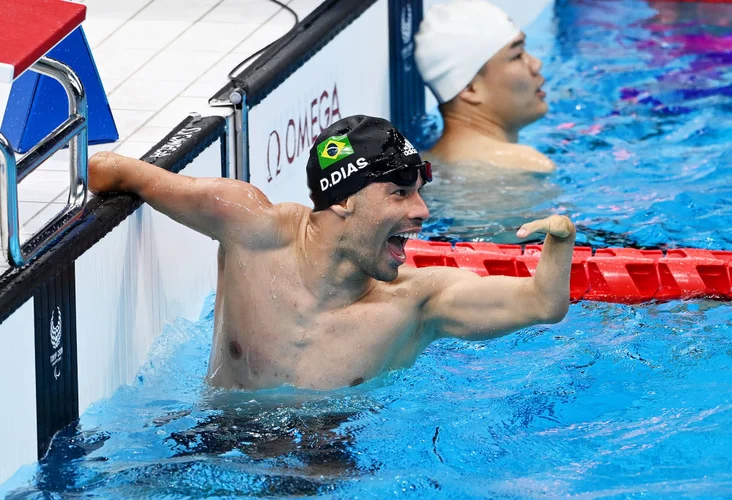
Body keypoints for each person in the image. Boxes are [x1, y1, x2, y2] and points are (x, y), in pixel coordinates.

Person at [88, 115, 575, 391]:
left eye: (420, 192)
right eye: (401, 193)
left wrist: (560, 240)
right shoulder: (250, 229)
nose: (423, 211)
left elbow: (542, 304)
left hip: (326, 461)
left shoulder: (415, 304)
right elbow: (120, 171)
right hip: (216, 441)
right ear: (343, 198)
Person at [414, 0, 554, 172]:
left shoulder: (422, 165)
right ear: (470, 88)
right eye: (517, 55)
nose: (536, 64)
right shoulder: (526, 164)